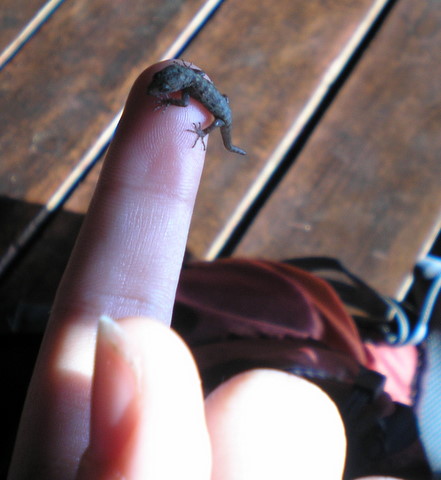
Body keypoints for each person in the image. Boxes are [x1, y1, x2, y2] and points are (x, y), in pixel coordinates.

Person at [7, 61, 430, 480]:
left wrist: (204, 130)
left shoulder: (195, 97)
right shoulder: (187, 86)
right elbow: (176, 88)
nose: (164, 88)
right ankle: (399, 347)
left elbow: (190, 101)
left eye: (167, 87)